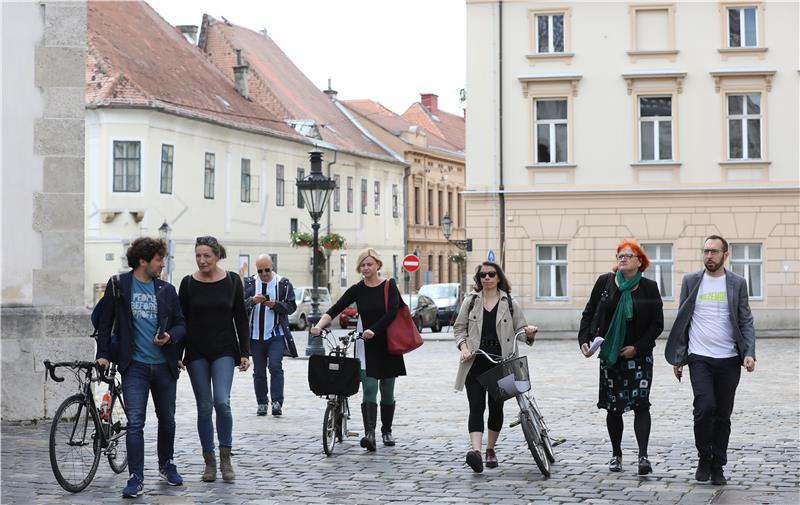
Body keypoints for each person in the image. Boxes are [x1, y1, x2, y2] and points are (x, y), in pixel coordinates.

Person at [95, 237, 186, 498]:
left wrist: (170, 337)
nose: (162, 264)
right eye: (159, 260)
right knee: (135, 422)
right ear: (143, 261)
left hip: (164, 365)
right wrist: (103, 354)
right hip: (134, 365)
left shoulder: (166, 290)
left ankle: (166, 464)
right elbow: (105, 322)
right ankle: (135, 477)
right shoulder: (119, 284)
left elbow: (181, 324)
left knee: (167, 419)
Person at [665, 235, 756, 486]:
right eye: (706, 251)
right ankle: (704, 456)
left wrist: (749, 352)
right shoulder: (691, 280)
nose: (709, 256)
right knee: (705, 408)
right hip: (699, 356)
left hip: (728, 358)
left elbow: (745, 319)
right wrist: (678, 357)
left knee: (723, 414)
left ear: (725, 255)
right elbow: (683, 319)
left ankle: (718, 465)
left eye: (714, 252)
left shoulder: (737, 283)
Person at [578, 240, 664, 475]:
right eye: (620, 255)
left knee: (641, 404)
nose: (623, 258)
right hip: (611, 355)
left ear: (640, 261)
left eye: (629, 255)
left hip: (639, 356)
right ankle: (616, 454)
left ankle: (643, 456)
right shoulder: (605, 283)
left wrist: (637, 347)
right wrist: (584, 340)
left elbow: (657, 324)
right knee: (613, 408)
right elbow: (589, 314)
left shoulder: (649, 287)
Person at [310, 248, 404, 451]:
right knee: (369, 388)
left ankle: (386, 430)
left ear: (378, 265)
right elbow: (336, 308)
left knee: (387, 391)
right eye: (363, 264)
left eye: (369, 264)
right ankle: (369, 433)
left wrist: (374, 330)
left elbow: (393, 312)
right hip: (365, 345)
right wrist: (319, 325)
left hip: (387, 344)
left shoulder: (389, 285)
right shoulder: (357, 289)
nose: (366, 267)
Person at [453, 261, 538, 473]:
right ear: (479, 278)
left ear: (498, 277)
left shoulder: (509, 302)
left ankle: (490, 448)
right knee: (476, 406)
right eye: (483, 275)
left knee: (496, 407)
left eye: (491, 274)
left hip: (502, 361)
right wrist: (464, 347)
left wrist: (529, 332)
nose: (487, 278)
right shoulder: (471, 301)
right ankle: (477, 453)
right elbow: (459, 329)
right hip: (475, 360)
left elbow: (522, 329)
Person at [178, 236, 250, 483]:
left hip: (224, 350)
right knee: (204, 407)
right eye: (198, 255)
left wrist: (245, 352)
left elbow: (240, 317)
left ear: (217, 255)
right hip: (196, 351)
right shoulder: (187, 283)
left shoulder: (232, 281)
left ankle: (226, 456)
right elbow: (181, 322)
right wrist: (178, 355)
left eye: (207, 255)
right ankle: (209, 461)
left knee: (222, 402)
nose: (202, 260)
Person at [243, 254, 298, 416]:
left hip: (276, 334)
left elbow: (291, 306)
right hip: (255, 336)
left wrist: (275, 305)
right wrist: (252, 301)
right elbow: (239, 305)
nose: (264, 274)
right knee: (258, 371)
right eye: (260, 271)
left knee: (275, 366)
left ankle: (277, 402)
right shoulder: (250, 283)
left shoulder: (283, 283)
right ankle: (261, 402)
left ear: (272, 267)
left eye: (267, 270)